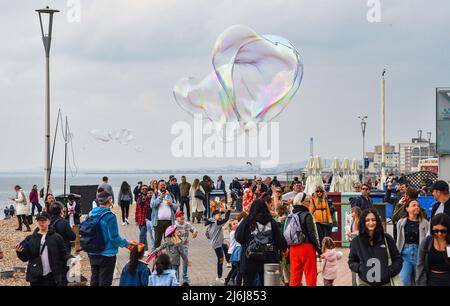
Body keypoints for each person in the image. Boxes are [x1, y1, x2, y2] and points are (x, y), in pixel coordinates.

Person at [235, 199, 288, 286]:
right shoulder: (271, 221)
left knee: (248, 283)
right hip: (268, 257)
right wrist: (284, 249)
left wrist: (249, 241)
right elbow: (280, 240)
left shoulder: (247, 220)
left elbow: (238, 237)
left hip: (249, 257)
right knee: (269, 283)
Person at [348, 208, 403, 286]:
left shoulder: (387, 238)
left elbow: (398, 259)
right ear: (363, 222)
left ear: (377, 221)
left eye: (373, 220)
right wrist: (361, 268)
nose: (371, 223)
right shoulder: (356, 241)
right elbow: (352, 261)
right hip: (364, 283)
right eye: (367, 220)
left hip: (385, 283)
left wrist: (388, 272)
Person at [16, 212, 73, 286]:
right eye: (39, 221)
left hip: (52, 275)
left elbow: (63, 253)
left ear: (49, 222)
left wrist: (71, 258)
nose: (41, 223)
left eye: (44, 220)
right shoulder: (30, 238)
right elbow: (25, 258)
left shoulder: (57, 237)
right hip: (36, 276)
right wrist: (20, 252)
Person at [85, 191, 129, 286]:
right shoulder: (110, 216)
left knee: (94, 279)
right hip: (107, 254)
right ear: (109, 200)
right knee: (105, 281)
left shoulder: (91, 213)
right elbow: (114, 238)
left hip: (92, 252)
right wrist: (126, 244)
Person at [289, 192, 322, 286]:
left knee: (295, 275)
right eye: (308, 201)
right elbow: (312, 235)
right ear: (302, 202)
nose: (310, 203)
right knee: (310, 275)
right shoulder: (307, 215)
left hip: (293, 248)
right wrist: (319, 250)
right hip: (306, 247)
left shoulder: (291, 215)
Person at [396, 200, 429, 286]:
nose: (417, 207)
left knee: (420, 281)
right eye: (414, 205)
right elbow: (398, 239)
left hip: (420, 254)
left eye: (418, 205)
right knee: (403, 280)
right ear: (407, 209)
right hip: (405, 254)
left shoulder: (425, 223)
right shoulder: (401, 222)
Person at [416, 213, 450, 286]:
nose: (439, 233)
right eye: (436, 231)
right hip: (431, 279)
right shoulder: (427, 242)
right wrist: (419, 282)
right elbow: (420, 264)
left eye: (443, 231)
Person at [205, 205, 232, 283]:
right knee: (220, 259)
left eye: (220, 215)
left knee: (225, 247)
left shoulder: (211, 221)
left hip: (218, 242)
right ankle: (219, 276)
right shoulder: (217, 223)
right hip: (216, 244)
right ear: (214, 216)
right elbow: (226, 219)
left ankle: (229, 262)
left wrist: (223, 211)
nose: (220, 216)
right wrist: (229, 211)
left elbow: (206, 234)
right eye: (219, 215)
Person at [151, 180, 178, 249]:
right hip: (158, 222)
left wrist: (171, 204)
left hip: (169, 222)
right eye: (161, 185)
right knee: (157, 241)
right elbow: (152, 205)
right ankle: (157, 256)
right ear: (158, 186)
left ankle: (169, 256)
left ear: (166, 186)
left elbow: (176, 207)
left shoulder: (170, 195)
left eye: (164, 185)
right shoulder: (156, 195)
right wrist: (160, 198)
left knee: (169, 241)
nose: (163, 186)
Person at [175, 210, 197, 285]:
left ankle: (185, 276)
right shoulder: (174, 225)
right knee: (176, 262)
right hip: (176, 246)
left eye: (182, 216)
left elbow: (194, 229)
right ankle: (176, 278)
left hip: (184, 246)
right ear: (176, 218)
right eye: (179, 216)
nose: (182, 217)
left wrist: (194, 233)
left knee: (185, 261)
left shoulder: (186, 224)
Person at [224, 218, 241, 286]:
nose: (236, 225)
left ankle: (227, 280)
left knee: (234, 268)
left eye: (237, 223)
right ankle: (231, 279)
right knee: (237, 268)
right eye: (234, 224)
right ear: (231, 227)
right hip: (232, 253)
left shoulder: (234, 232)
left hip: (232, 252)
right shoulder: (234, 232)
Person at [136, 185, 151, 253]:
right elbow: (137, 210)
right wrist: (136, 220)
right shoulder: (139, 199)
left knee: (141, 235)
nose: (144, 190)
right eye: (143, 189)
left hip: (146, 220)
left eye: (145, 189)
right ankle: (146, 250)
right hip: (139, 219)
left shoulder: (150, 199)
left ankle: (139, 251)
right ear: (141, 190)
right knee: (143, 235)